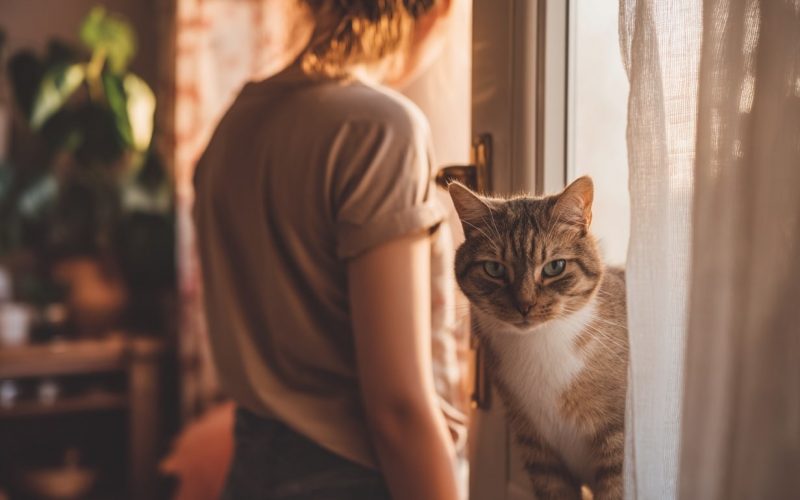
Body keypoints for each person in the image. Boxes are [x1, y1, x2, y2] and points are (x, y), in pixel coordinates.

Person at [193, 1, 465, 499]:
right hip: (351, 478)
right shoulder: (381, 129)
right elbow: (398, 409)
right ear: (438, 11)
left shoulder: (234, 125)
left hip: (250, 471)